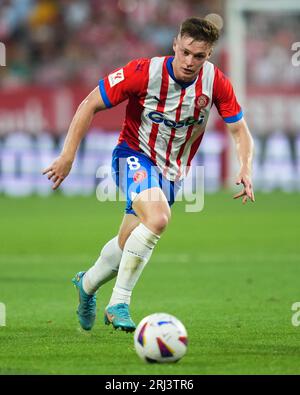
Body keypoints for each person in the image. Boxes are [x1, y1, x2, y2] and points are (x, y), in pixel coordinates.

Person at [43, 17, 255, 333]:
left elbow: (239, 130)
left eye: (199, 56)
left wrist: (245, 166)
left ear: (209, 55)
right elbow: (89, 104)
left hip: (172, 174)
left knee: (128, 241)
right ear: (175, 44)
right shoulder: (144, 72)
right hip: (133, 156)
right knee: (158, 219)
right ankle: (119, 304)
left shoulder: (215, 83)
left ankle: (86, 285)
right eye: (185, 52)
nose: (189, 61)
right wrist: (67, 156)